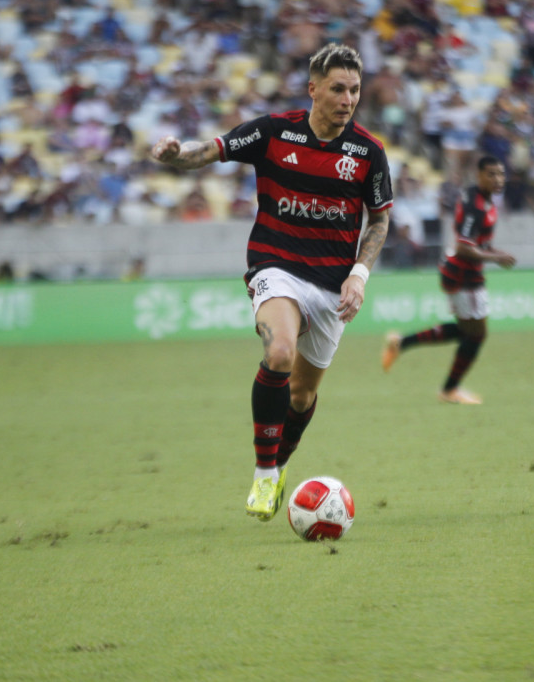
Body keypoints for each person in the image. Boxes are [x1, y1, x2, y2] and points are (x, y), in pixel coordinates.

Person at [149, 44, 392, 522]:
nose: (347, 99)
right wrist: (177, 156)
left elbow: (380, 220)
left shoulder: (367, 153)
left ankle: (279, 464)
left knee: (301, 397)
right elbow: (209, 151)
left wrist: (359, 276)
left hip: (331, 284)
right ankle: (263, 475)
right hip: (276, 265)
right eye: (338, 89)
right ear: (314, 89)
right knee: (279, 352)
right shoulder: (272, 132)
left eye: (355, 90)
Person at [380, 156, 517, 405]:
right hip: (463, 274)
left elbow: (477, 243)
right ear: (479, 175)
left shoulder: (484, 200)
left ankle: (402, 343)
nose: (498, 179)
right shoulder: (475, 204)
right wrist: (495, 257)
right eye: (492, 174)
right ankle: (449, 389)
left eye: (501, 174)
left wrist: (492, 252)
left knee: (469, 331)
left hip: (463, 272)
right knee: (476, 334)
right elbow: (464, 247)